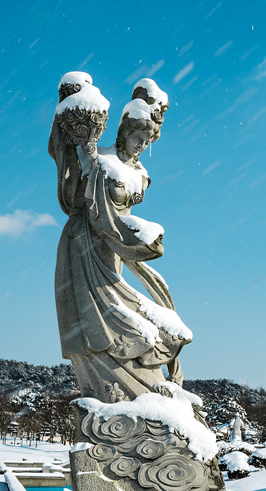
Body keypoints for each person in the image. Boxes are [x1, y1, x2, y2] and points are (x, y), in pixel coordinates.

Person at [50, 80, 190, 401]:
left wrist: (137, 239)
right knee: (97, 318)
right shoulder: (99, 159)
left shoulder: (140, 174)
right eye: (136, 137)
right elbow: (87, 198)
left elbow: (118, 215)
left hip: (113, 248)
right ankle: (113, 395)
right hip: (83, 241)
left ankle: (146, 391)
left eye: (147, 139)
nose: (140, 144)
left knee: (149, 316)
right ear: (123, 132)